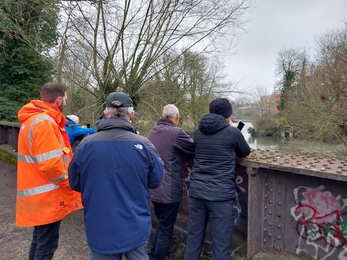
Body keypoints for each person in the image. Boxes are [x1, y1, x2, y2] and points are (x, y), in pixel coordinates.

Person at [68, 92, 164, 260]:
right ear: (132, 115)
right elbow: (156, 180)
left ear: (106, 114)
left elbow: (75, 182)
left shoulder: (86, 145)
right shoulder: (144, 144)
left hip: (99, 225)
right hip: (135, 224)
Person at [16, 82, 83, 260]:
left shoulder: (32, 119)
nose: (66, 102)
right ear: (59, 100)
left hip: (37, 191)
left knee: (39, 242)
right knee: (46, 246)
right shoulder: (45, 123)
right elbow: (52, 166)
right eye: (66, 98)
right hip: (47, 196)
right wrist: (70, 184)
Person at [184, 98, 250, 260]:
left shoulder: (198, 131)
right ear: (229, 114)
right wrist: (234, 129)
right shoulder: (233, 132)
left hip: (197, 193)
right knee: (220, 246)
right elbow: (244, 151)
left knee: (193, 241)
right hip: (220, 197)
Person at [147, 104, 195, 260]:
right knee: (166, 230)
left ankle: (151, 255)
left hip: (153, 189)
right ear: (177, 117)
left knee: (162, 225)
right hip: (168, 191)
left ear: (162, 115)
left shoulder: (152, 131)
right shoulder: (176, 132)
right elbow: (193, 148)